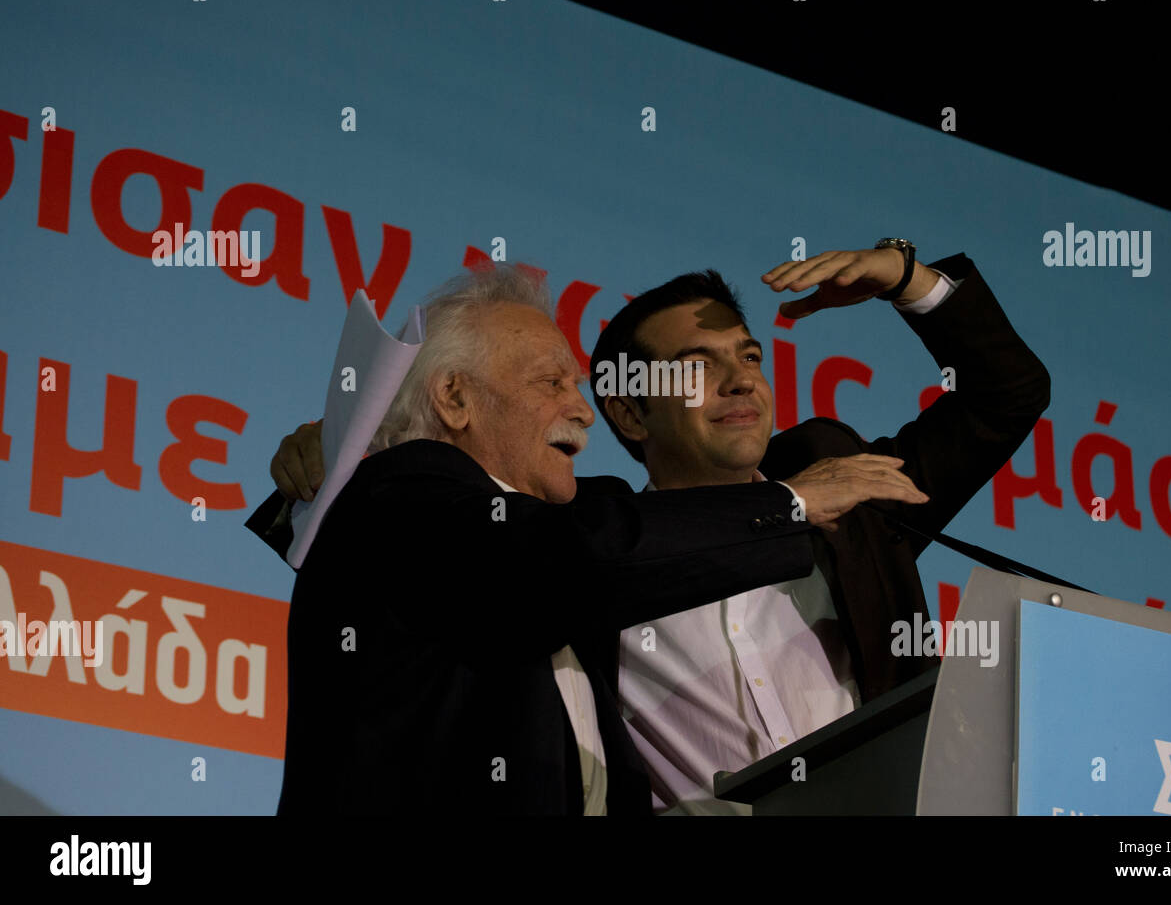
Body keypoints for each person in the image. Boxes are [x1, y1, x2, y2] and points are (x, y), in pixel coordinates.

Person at [262, 241, 1048, 813]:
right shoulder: (583, 538)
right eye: (699, 365)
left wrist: (909, 279)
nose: (743, 377)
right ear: (632, 410)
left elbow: (1005, 397)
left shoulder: (841, 487)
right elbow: (483, 553)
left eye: (748, 356)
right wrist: (351, 449)